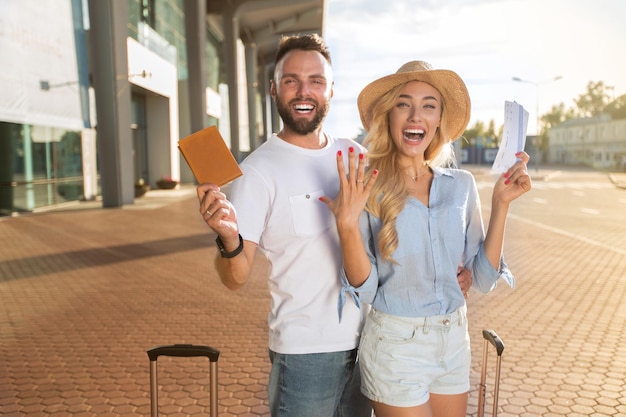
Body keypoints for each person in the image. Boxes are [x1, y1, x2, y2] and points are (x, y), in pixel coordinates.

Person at [196, 36, 471, 416]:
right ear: (274, 88)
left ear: (330, 90)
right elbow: (235, 277)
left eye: (316, 80)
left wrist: (450, 274)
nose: (303, 91)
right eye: (291, 80)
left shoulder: (357, 155)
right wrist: (229, 239)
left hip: (375, 342)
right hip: (306, 355)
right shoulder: (258, 171)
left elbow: (404, 231)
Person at [320, 61, 532, 417]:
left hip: (453, 341)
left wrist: (501, 203)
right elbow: (367, 289)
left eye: (428, 105)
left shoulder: (461, 186)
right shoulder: (367, 187)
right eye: (404, 103)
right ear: (389, 115)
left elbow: (481, 279)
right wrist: (346, 226)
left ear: (438, 122)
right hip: (395, 345)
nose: (416, 115)